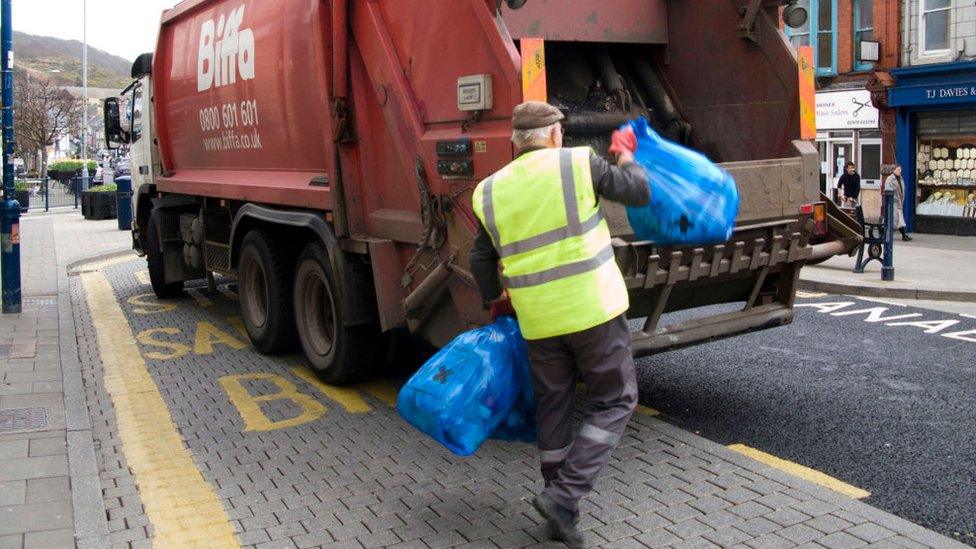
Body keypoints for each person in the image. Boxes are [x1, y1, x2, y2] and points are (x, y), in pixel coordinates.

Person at [469, 101, 650, 548]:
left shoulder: (489, 191)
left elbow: (480, 256)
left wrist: (494, 297)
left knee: (555, 407)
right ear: (554, 135)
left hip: (537, 319)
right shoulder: (578, 163)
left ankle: (558, 508)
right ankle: (564, 497)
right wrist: (625, 152)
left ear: (515, 143)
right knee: (616, 399)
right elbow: (638, 191)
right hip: (593, 310)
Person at [884, 164, 912, 241]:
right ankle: (888, 236)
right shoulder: (890, 179)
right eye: (898, 169)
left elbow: (902, 190)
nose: (900, 171)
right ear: (893, 170)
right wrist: (894, 199)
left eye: (900, 169)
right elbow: (888, 190)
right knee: (897, 219)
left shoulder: (901, 179)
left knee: (898, 220)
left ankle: (901, 235)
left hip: (900, 202)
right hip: (894, 203)